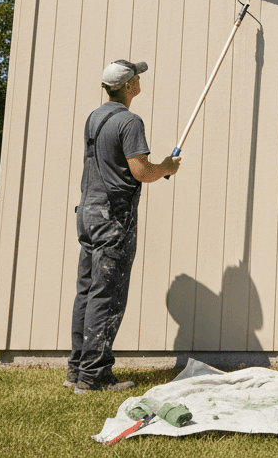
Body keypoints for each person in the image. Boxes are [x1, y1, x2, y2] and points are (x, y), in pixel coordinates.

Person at [66, 59, 181, 393]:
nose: (140, 79)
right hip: (112, 218)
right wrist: (166, 166)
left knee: (87, 291)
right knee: (106, 295)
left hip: (88, 213)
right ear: (129, 86)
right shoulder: (130, 122)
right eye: (138, 76)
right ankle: (94, 377)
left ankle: (76, 369)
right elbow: (141, 171)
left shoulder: (95, 117)